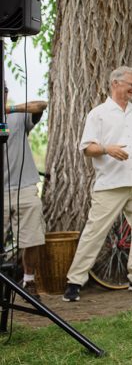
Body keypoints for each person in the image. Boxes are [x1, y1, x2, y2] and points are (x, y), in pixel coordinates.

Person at [63, 66, 132, 302]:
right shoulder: (98, 114)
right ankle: (75, 281)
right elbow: (87, 148)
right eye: (131, 84)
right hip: (110, 184)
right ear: (115, 83)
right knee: (94, 232)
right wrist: (107, 149)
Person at [1, 85, 47, 299]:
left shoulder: (17, 116)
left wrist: (7, 110)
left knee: (32, 237)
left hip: (24, 188)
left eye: (4, 91)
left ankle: (29, 280)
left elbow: (41, 105)